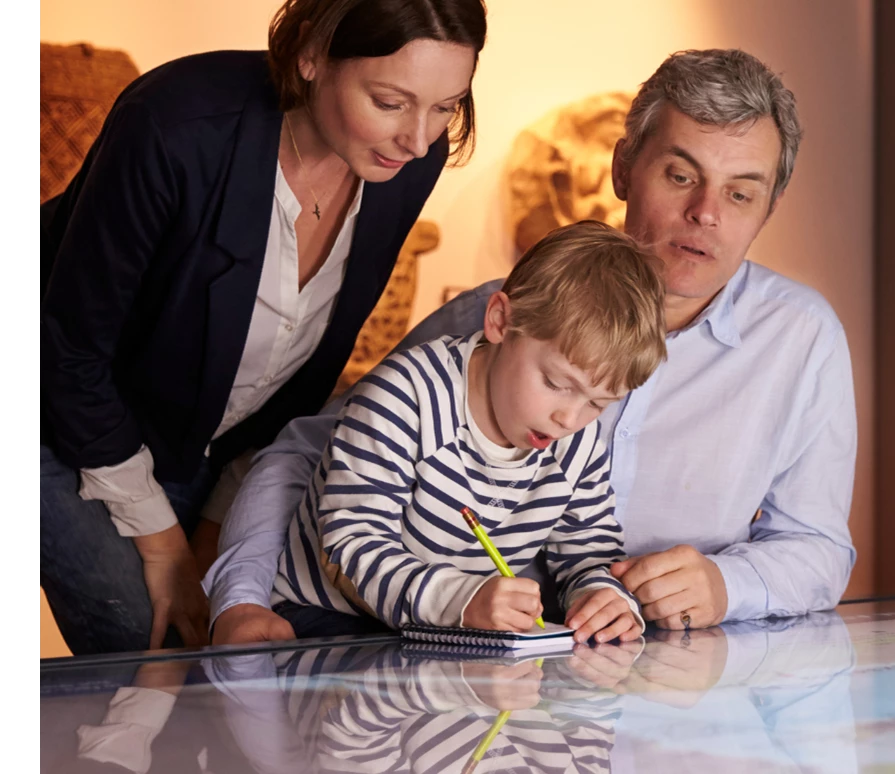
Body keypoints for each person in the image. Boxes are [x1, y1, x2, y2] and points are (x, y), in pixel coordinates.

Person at [206, 47, 858, 646]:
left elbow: (819, 548)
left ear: (769, 206)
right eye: (680, 175)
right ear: (623, 169)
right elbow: (310, 458)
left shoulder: (802, 339)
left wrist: (724, 585)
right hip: (440, 645)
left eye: (740, 193)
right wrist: (235, 599)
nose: (706, 213)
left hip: (665, 670)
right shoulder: (499, 318)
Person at [39, 0, 488, 655]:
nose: (419, 139)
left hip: (195, 437)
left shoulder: (406, 161)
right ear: (310, 54)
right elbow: (69, 352)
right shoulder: (174, 124)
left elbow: (316, 356)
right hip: (62, 409)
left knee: (254, 633)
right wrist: (163, 543)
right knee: (151, 642)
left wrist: (218, 522)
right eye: (390, 102)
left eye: (446, 106)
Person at [272, 220, 666, 644]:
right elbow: (350, 549)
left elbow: (588, 549)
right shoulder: (404, 398)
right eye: (555, 383)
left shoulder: (577, 441)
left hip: (448, 632)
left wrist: (602, 598)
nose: (569, 420)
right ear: (500, 321)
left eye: (598, 403)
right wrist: (461, 602)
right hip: (328, 620)